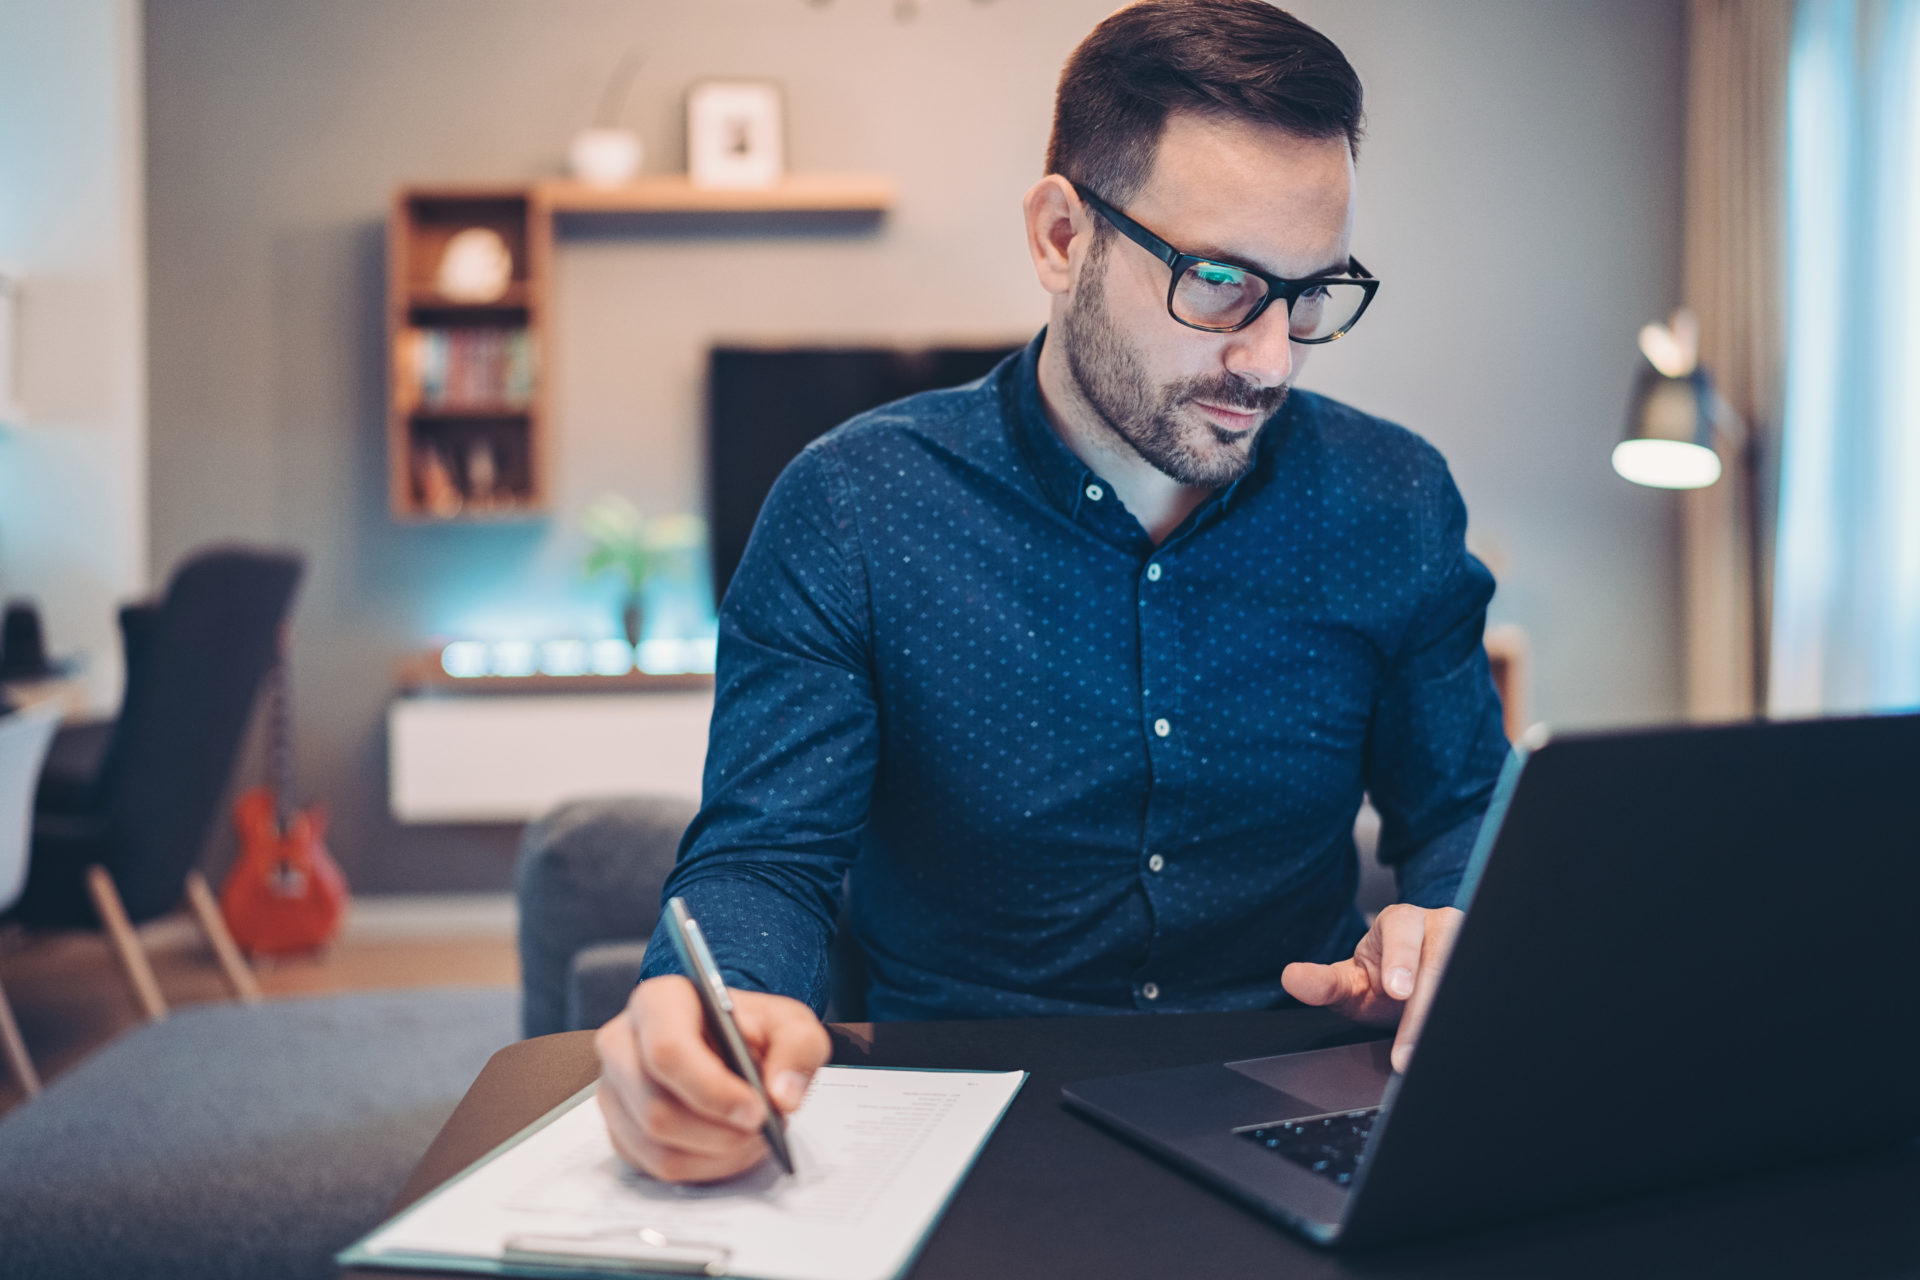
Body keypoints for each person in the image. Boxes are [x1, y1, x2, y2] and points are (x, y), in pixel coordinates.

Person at [595, 0, 1510, 1184]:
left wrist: (1451, 919)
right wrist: (710, 1013)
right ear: (1061, 236)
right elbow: (767, 860)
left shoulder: (1394, 500)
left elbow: (1464, 814)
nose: (1273, 356)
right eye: (1222, 281)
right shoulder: (852, 508)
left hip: (1292, 1112)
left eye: (1312, 292)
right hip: (954, 1116)